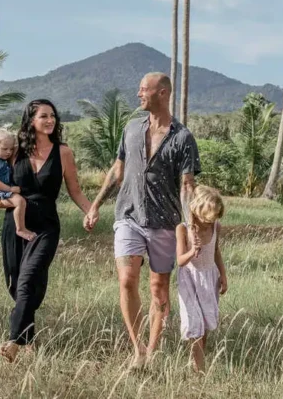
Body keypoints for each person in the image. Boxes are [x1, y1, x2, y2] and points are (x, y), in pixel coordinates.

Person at [84, 73, 201, 369]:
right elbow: (117, 170)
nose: (138, 94)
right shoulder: (132, 128)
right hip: (129, 216)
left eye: (143, 90)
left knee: (159, 287)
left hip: (165, 222)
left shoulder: (183, 137)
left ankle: (152, 349)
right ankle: (137, 349)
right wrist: (95, 205)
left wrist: (192, 226)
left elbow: (187, 186)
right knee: (127, 279)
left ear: (162, 93)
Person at [0, 99, 92, 363]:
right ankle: (29, 341)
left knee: (29, 279)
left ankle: (13, 340)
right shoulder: (14, 151)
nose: (50, 120)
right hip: (15, 226)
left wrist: (90, 210)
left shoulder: (63, 152)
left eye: (53, 115)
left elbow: (75, 191)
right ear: (30, 121)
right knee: (18, 286)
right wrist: (10, 201)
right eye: (43, 116)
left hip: (46, 227)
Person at [176, 186, 228, 372]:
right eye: (207, 220)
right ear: (196, 211)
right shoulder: (183, 229)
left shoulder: (216, 227)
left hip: (209, 278)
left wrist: (223, 274)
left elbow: (215, 251)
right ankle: (200, 369)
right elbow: (181, 261)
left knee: (204, 325)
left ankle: (195, 360)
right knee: (194, 324)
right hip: (189, 280)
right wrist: (192, 251)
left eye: (213, 220)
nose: (209, 224)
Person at [0, 128, 36, 242]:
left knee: (21, 201)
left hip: (3, 190)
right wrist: (10, 189)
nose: (8, 152)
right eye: (4, 149)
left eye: (11, 149)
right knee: (20, 202)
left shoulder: (2, 159)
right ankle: (20, 229)